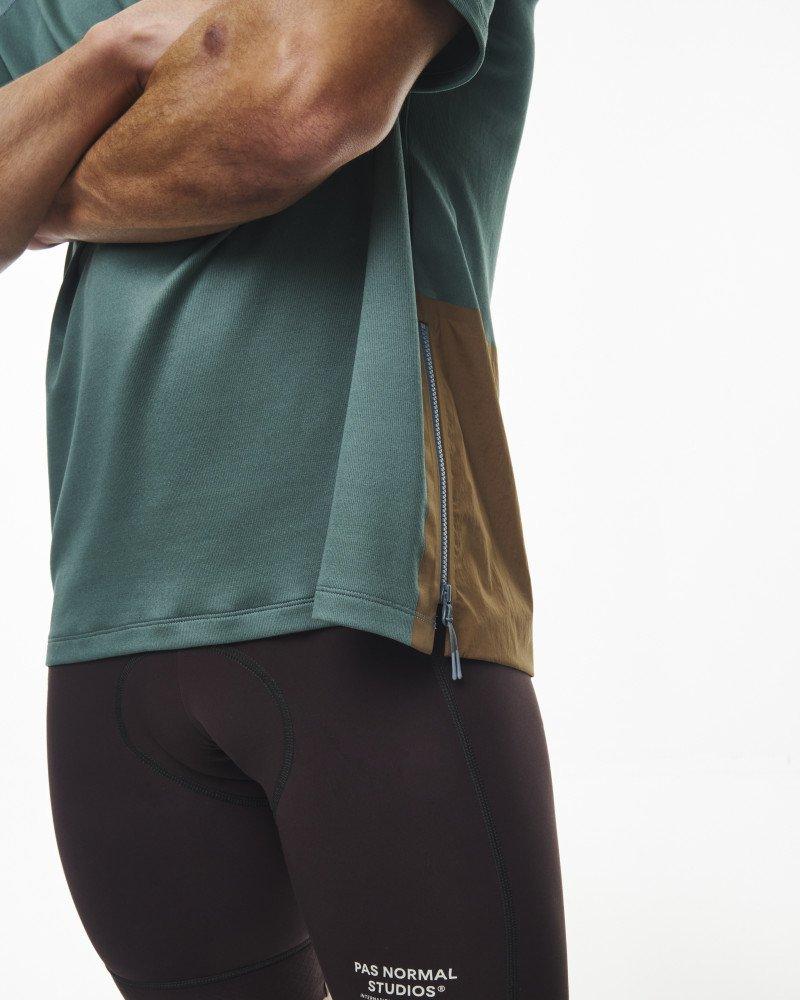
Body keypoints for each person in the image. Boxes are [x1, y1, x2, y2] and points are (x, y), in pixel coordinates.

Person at [0, 0, 568, 996]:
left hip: (366, 590)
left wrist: (49, 181)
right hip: (107, 633)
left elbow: (297, 108)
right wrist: (114, 49)